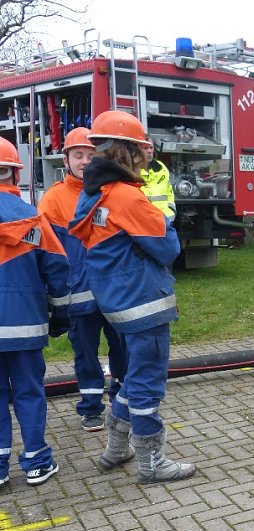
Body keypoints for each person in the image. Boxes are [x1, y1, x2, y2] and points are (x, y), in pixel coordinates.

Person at [69, 110, 196, 484]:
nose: (145, 155)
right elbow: (168, 248)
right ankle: (152, 462)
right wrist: (161, 221)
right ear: (129, 152)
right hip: (145, 303)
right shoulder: (128, 197)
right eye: (141, 148)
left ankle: (116, 447)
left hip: (117, 301)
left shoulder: (93, 195)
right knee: (147, 383)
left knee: (136, 376)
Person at [38, 127, 127, 432]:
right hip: (77, 294)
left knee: (122, 348)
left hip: (113, 292)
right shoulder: (52, 199)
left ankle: (121, 398)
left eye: (91, 155)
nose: (85, 161)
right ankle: (90, 408)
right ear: (66, 158)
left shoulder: (110, 191)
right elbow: (45, 250)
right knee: (85, 353)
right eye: (78, 155)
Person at [0, 137, 70, 489]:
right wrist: (60, 315)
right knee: (28, 391)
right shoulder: (33, 219)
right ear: (15, 173)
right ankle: (36, 461)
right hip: (25, 326)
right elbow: (57, 270)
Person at [140, 135, 176, 222]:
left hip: (165, 222)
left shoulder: (161, 167)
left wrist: (171, 211)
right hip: (143, 223)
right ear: (137, 151)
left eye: (151, 147)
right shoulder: (132, 172)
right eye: (145, 148)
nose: (149, 151)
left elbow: (169, 192)